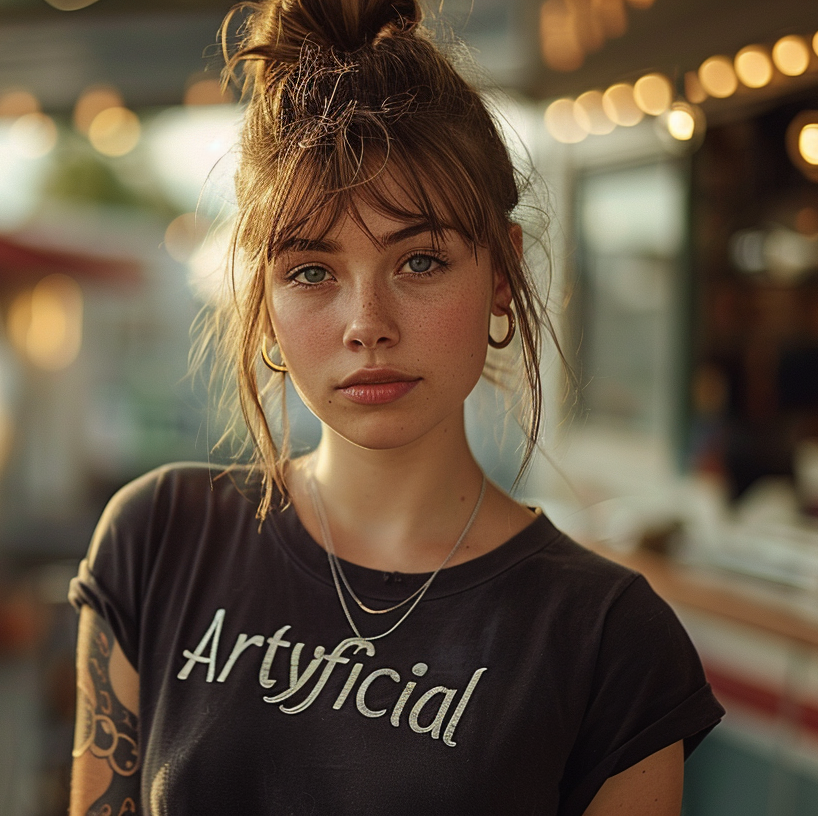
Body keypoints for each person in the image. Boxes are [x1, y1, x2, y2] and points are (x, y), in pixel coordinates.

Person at [68, 0, 724, 812]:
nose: (367, 325)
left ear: (501, 272)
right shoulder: (161, 540)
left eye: (420, 261)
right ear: (264, 298)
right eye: (312, 272)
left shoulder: (608, 640)